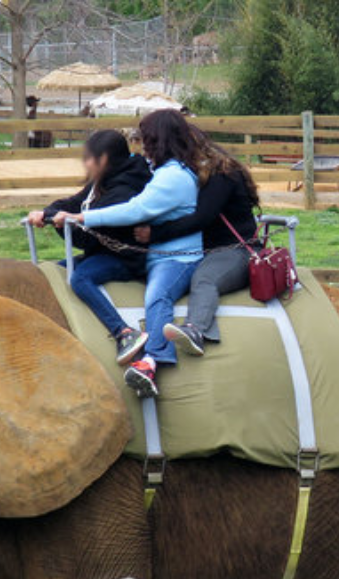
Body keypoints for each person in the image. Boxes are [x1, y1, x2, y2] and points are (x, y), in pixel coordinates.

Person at [52, 109, 202, 399]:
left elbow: (136, 209)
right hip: (156, 253)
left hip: (176, 258)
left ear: (161, 140)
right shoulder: (162, 171)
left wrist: (84, 218)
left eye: (147, 140)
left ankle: (151, 361)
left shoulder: (173, 177)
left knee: (157, 296)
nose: (143, 146)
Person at [27, 130, 152, 365]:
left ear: (103, 159)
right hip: (103, 252)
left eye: (89, 158)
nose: (85, 164)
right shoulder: (101, 183)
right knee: (56, 269)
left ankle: (123, 332)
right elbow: (73, 203)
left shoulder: (123, 192)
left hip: (125, 258)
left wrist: (58, 222)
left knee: (80, 279)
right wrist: (47, 212)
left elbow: (86, 238)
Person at [135, 128, 260, 355]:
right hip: (212, 251)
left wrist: (156, 234)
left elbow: (201, 218)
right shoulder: (204, 174)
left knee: (205, 279)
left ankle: (195, 329)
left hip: (237, 251)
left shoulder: (222, 175)